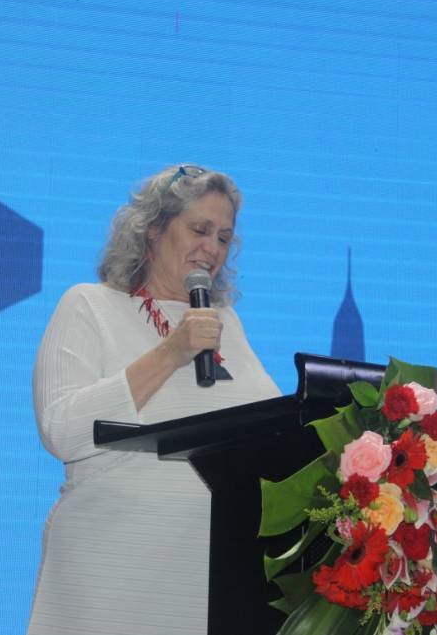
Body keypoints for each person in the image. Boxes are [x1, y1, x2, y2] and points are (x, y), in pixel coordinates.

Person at [28, 164, 281, 635]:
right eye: (199, 230)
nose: (212, 248)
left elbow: (274, 434)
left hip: (208, 580)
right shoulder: (89, 305)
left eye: (224, 237)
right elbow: (61, 430)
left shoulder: (227, 324)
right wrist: (171, 352)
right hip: (110, 579)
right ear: (153, 229)